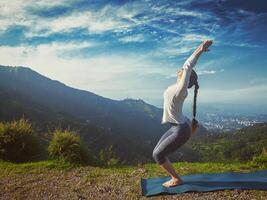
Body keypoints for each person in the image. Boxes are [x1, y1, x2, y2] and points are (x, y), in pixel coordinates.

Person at [152, 40, 213, 187]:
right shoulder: (177, 87)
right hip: (178, 126)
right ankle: (175, 177)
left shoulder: (181, 89)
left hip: (180, 129)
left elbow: (188, 65)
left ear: (187, 78)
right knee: (157, 152)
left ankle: (176, 179)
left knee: (157, 155)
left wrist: (200, 50)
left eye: (185, 72)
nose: (181, 69)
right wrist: (190, 127)